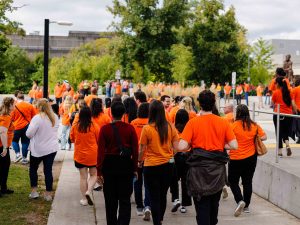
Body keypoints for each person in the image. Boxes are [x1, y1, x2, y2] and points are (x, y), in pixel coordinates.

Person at [176, 90, 237, 225]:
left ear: (199, 104)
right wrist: (219, 144)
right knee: (214, 206)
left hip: (198, 172)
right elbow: (234, 145)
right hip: (217, 171)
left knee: (202, 207)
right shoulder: (223, 122)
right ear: (214, 103)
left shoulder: (193, 123)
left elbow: (181, 146)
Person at [97, 101, 138, 225]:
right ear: (124, 113)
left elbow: (100, 152)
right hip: (126, 165)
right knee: (125, 199)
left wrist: (98, 171)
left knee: (110, 200)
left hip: (109, 165)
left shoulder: (105, 129)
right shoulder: (130, 128)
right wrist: (135, 168)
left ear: (110, 112)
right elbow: (135, 151)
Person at [139, 100, 179, 225]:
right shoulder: (170, 127)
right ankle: (160, 218)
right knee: (162, 195)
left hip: (151, 166)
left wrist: (139, 161)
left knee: (154, 196)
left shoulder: (147, 129)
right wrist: (170, 155)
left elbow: (141, 149)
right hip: (167, 166)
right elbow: (176, 147)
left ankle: (157, 222)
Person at [228, 104, 267, 216]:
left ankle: (240, 201)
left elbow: (227, 140)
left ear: (238, 113)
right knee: (247, 181)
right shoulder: (254, 125)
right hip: (251, 158)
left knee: (233, 181)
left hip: (235, 158)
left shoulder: (233, 126)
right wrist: (254, 137)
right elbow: (264, 137)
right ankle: (247, 206)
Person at [26, 99, 59, 201]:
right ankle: (48, 194)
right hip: (51, 148)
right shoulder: (55, 117)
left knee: (33, 169)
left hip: (38, 149)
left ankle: (34, 191)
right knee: (48, 170)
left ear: (39, 107)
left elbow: (28, 134)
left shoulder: (37, 118)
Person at [70, 106, 100, 206]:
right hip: (92, 155)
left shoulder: (75, 126)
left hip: (79, 155)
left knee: (83, 177)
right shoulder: (94, 126)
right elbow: (98, 140)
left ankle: (84, 199)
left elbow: (72, 139)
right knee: (94, 175)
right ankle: (89, 191)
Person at [131, 103, 151, 220]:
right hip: (149, 157)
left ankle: (139, 206)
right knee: (148, 183)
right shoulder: (151, 123)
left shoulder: (133, 123)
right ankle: (147, 205)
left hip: (136, 156)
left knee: (137, 182)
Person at [171, 109, 192, 213]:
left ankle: (175, 199)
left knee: (173, 180)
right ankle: (184, 205)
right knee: (186, 181)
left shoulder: (173, 128)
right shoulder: (189, 128)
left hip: (175, 156)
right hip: (187, 156)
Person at [11, 92, 36, 163]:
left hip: (16, 127)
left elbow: (11, 118)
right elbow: (34, 116)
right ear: (23, 98)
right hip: (27, 126)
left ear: (17, 98)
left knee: (14, 141)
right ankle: (24, 158)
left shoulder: (14, 106)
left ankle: (18, 154)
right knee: (25, 142)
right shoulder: (29, 105)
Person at [272, 76, 294, 156]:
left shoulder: (275, 92)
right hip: (288, 115)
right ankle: (287, 145)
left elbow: (272, 104)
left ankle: (280, 152)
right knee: (285, 131)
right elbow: (293, 103)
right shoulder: (289, 92)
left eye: (275, 83)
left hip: (278, 114)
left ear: (278, 84)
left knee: (278, 132)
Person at [0, 97, 15, 197]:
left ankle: (3, 188)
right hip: (2, 146)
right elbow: (2, 132)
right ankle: (2, 189)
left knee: (5, 166)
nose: (15, 106)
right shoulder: (6, 117)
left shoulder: (5, 115)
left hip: (4, 145)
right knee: (2, 167)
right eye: (14, 104)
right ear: (10, 105)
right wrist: (5, 147)